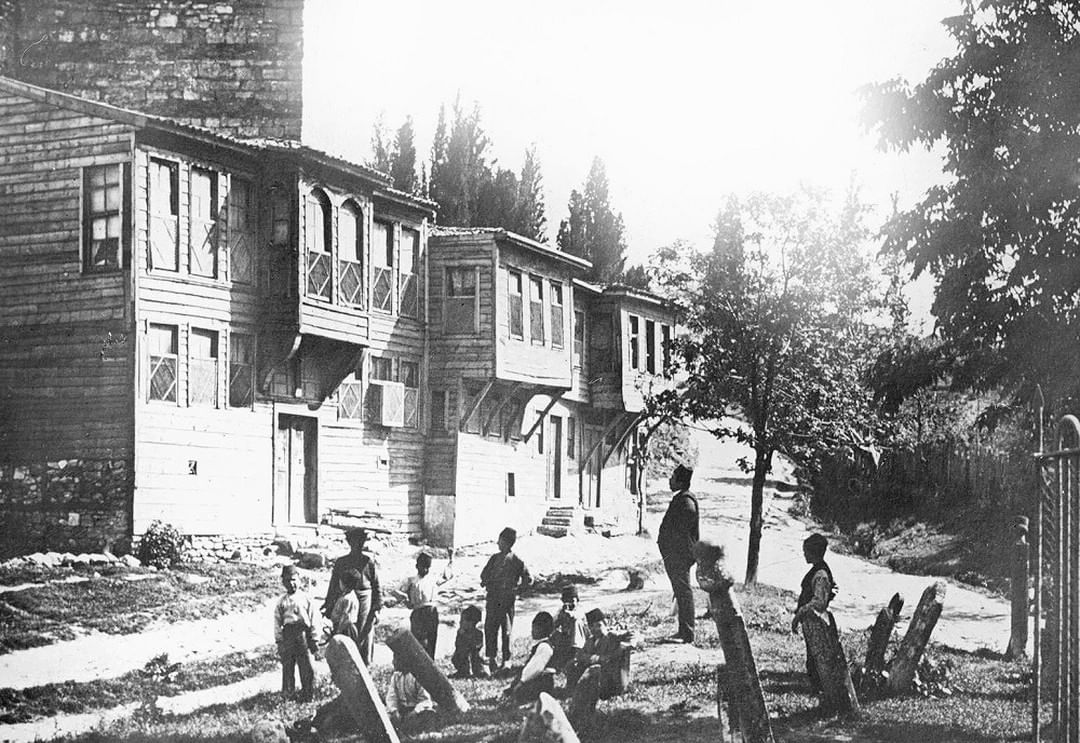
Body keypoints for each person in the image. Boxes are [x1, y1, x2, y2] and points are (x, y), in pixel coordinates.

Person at [322, 527, 381, 664]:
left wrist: (377, 608)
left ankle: (365, 664)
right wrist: (328, 605)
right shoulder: (342, 562)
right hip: (346, 599)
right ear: (349, 543)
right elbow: (333, 585)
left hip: (365, 599)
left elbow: (377, 586)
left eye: (360, 543)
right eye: (354, 543)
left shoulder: (368, 562)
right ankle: (347, 665)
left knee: (365, 630)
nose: (357, 546)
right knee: (346, 630)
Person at [790, 533, 838, 693]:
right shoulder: (818, 571)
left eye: (806, 551)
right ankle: (818, 687)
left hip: (816, 622)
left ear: (813, 552)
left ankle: (821, 689)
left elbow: (819, 602)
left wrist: (800, 613)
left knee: (816, 656)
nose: (804, 554)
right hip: (811, 621)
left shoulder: (820, 574)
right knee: (812, 655)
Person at [480, 526, 532, 673]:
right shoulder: (494, 558)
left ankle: (506, 660)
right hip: (492, 599)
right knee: (490, 628)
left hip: (507, 601)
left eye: (500, 541)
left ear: (508, 543)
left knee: (506, 630)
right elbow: (484, 574)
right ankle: (491, 658)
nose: (498, 543)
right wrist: (486, 581)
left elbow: (529, 579)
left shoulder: (516, 561)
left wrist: (518, 590)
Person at [657, 463, 699, 643]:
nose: (670, 479)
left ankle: (688, 632)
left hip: (680, 555)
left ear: (680, 481)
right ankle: (683, 630)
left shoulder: (686, 502)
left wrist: (673, 548)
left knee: (683, 592)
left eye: (673, 477)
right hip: (675, 554)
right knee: (680, 591)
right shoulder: (681, 499)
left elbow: (681, 532)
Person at [392, 551, 451, 659]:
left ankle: (431, 664)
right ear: (417, 566)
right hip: (418, 612)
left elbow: (446, 577)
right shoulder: (411, 580)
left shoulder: (432, 578)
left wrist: (451, 559)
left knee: (432, 639)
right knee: (419, 641)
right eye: (423, 567)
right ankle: (420, 664)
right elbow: (395, 590)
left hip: (432, 611)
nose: (425, 570)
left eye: (427, 567)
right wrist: (405, 599)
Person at [274, 564, 319, 702]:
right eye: (287, 581)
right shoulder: (282, 602)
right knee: (288, 666)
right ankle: (289, 694)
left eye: (293, 579)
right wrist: (279, 640)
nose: (291, 583)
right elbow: (277, 622)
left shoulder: (306, 599)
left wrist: (314, 637)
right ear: (283, 582)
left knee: (306, 666)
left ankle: (307, 694)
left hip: (303, 635)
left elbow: (314, 618)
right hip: (288, 635)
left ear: (299, 580)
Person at [565, 608, 631, 697]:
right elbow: (580, 655)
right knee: (572, 664)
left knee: (596, 668)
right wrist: (596, 658)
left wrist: (623, 646)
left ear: (605, 623)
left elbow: (633, 634)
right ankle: (572, 691)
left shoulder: (612, 637)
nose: (594, 629)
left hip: (610, 677)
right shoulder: (590, 641)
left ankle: (594, 691)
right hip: (596, 673)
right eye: (591, 626)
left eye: (598, 625)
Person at [504, 611, 557, 704]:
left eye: (535, 628)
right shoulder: (540, 645)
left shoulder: (544, 647)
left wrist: (521, 682)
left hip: (542, 681)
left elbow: (535, 669)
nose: (532, 631)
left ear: (542, 630)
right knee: (513, 688)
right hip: (538, 678)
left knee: (520, 692)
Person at [385, 649, 435, 726]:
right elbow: (391, 697)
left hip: (416, 710)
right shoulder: (396, 676)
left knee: (427, 715)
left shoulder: (417, 677)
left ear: (405, 660)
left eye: (397, 660)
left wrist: (415, 712)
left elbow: (425, 700)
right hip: (402, 710)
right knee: (386, 717)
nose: (393, 662)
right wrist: (395, 711)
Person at [550, 584, 589, 671]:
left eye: (572, 600)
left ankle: (574, 656)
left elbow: (575, 617)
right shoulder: (562, 611)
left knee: (576, 623)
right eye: (567, 601)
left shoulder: (580, 610)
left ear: (577, 600)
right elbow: (553, 624)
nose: (570, 603)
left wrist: (568, 613)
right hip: (566, 642)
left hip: (579, 644)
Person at [450, 605, 487, 678]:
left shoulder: (478, 633)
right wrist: (461, 636)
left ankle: (476, 671)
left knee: (474, 656)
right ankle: (463, 671)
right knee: (457, 657)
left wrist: (467, 638)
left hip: (474, 658)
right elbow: (457, 645)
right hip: (463, 656)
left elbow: (477, 647)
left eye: (462, 620)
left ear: (471, 623)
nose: (460, 622)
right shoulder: (460, 633)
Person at [329, 568, 362, 644]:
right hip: (341, 626)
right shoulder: (345, 595)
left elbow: (346, 618)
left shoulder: (348, 599)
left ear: (344, 584)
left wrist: (338, 631)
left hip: (346, 629)